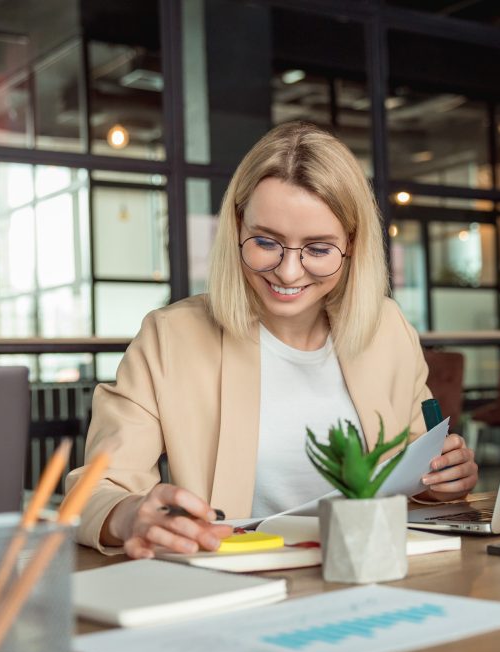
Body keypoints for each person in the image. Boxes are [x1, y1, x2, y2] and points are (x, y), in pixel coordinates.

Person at [67, 122, 478, 558]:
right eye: (266, 242)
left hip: (372, 571)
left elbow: (417, 480)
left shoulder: (388, 329)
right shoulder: (170, 339)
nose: (288, 272)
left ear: (353, 246)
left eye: (318, 250)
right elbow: (94, 493)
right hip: (236, 586)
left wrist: (443, 483)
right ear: (236, 228)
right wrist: (132, 515)